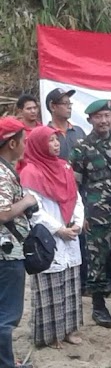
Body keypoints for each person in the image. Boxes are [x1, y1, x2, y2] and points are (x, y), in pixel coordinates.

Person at [69, 99, 111, 328]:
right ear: (90, 119)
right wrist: (81, 216)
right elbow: (74, 186)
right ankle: (98, 305)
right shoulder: (81, 148)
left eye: (107, 116)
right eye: (98, 117)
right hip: (97, 214)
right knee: (98, 259)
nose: (104, 121)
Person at [21, 126, 84, 348]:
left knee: (70, 284)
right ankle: (51, 335)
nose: (56, 144)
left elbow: (76, 198)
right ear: (38, 144)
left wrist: (76, 222)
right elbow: (34, 210)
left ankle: (69, 330)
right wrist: (59, 229)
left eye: (57, 140)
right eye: (50, 141)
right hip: (48, 236)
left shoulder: (65, 167)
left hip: (70, 232)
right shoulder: (30, 172)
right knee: (50, 285)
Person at [0, 117, 35, 368]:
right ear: (12, 143)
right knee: (6, 317)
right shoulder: (2, 172)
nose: (25, 145)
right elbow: (2, 213)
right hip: (6, 253)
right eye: (23, 140)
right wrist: (27, 201)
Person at [45, 88, 86, 160]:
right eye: (65, 103)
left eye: (69, 103)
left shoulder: (79, 131)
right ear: (52, 106)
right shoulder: (45, 134)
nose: (69, 107)